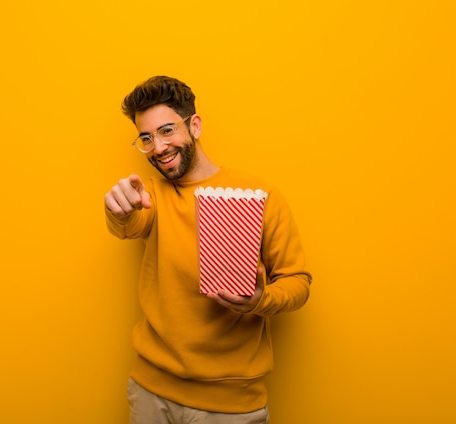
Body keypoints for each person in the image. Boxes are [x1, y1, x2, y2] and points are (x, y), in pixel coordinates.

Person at [104, 76, 312, 424]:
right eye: (146, 138)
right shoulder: (151, 197)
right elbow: (129, 225)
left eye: (167, 130)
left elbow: (297, 282)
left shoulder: (260, 195)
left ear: (194, 126)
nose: (157, 147)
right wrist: (119, 209)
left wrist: (260, 301)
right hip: (150, 392)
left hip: (231, 404)